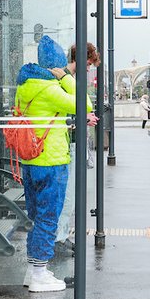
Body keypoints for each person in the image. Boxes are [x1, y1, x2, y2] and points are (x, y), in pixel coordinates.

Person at [16, 36, 93, 292]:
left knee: (36, 216)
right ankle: (39, 273)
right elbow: (85, 103)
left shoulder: (25, 86)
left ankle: (33, 269)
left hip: (30, 159)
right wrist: (65, 78)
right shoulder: (50, 89)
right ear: (56, 65)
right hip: (51, 160)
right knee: (49, 217)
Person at [53, 42, 100, 257]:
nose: (89, 69)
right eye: (89, 64)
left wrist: (83, 118)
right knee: (67, 195)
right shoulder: (65, 79)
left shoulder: (66, 78)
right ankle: (57, 239)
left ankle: (60, 236)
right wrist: (83, 119)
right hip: (66, 143)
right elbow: (65, 111)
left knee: (69, 195)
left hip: (69, 142)